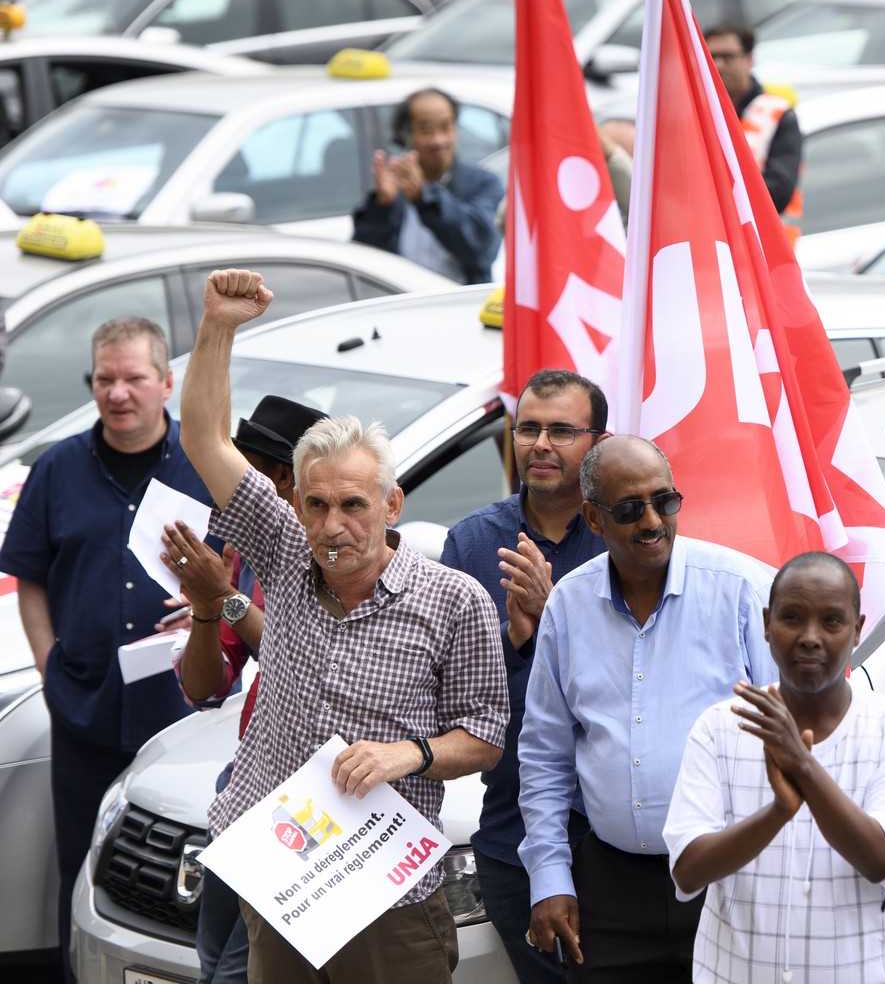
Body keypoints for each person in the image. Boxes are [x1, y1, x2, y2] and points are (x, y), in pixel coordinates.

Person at [180, 268, 510, 984]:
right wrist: (218, 327)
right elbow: (205, 437)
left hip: (386, 892)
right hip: (280, 873)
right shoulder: (283, 551)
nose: (336, 526)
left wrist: (405, 755)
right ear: (295, 505)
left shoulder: (454, 600)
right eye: (319, 504)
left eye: (355, 505)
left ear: (391, 504)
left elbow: (485, 735)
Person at [519, 435, 776, 982]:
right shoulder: (568, 603)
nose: (653, 521)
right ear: (593, 518)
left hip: (733, 882)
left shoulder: (741, 590)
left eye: (666, 501)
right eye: (630, 509)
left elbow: (794, 740)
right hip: (611, 891)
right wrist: (550, 877)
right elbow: (545, 755)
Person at [0, 316, 209, 982]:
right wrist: (48, 662)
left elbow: (246, 570)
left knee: (188, 884)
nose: (119, 393)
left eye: (134, 378)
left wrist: (210, 621)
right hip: (85, 709)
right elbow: (29, 576)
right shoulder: (59, 468)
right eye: (105, 379)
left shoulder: (204, 466)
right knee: (82, 875)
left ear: (167, 382)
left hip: (183, 712)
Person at [664, 552, 885, 984]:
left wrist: (803, 767)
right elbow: (688, 870)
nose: (810, 637)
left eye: (832, 621)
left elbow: (883, 862)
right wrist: (777, 814)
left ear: (857, 630)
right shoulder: (719, 728)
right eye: (792, 618)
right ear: (768, 625)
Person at [439, 369, 609, 984]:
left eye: (562, 430)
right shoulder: (475, 541)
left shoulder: (627, 542)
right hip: (513, 840)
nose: (540, 443)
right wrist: (517, 641)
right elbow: (457, 706)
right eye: (528, 428)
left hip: (616, 842)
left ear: (599, 443)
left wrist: (555, 611)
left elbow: (635, 690)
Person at [158, 394, 328, 984]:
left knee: (237, 970)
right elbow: (205, 687)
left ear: (285, 478)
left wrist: (223, 597)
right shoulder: (243, 553)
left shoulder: (333, 555)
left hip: (311, 798)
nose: (228, 488)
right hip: (248, 781)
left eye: (244, 470)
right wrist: (208, 610)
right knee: (213, 960)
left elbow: (297, 653)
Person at [352, 87, 503, 285]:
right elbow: (364, 264)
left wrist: (426, 199)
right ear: (405, 136)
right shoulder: (395, 189)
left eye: (445, 127)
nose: (438, 140)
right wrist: (382, 207)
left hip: (461, 308)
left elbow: (481, 249)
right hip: (405, 308)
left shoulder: (483, 183)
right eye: (425, 129)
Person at [704, 22, 803, 220]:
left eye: (728, 57)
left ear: (749, 59)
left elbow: (779, 193)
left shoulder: (778, 113)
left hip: (764, 242)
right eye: (711, 57)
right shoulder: (698, 113)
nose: (718, 65)